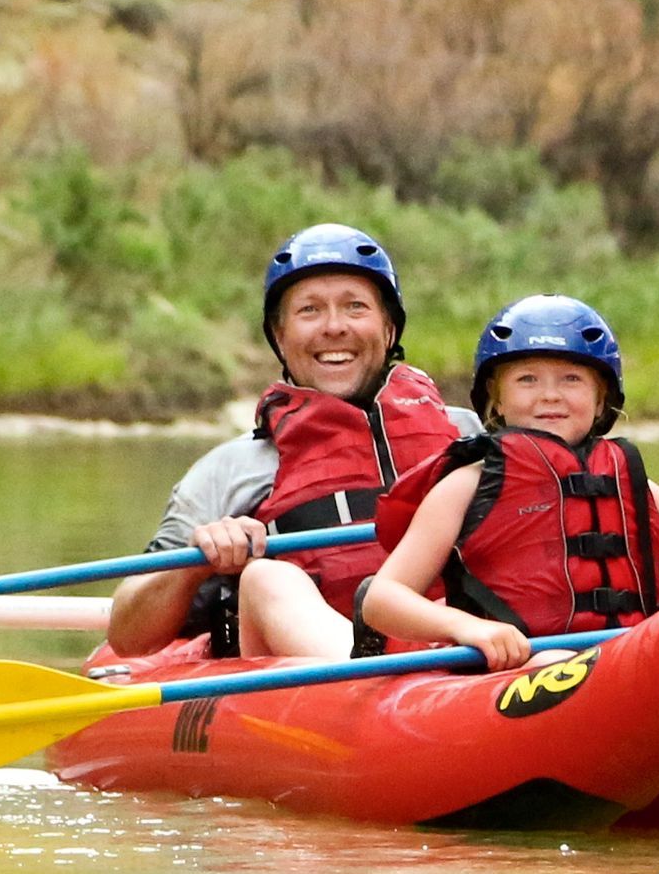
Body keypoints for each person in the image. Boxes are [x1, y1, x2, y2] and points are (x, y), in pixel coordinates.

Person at [106, 223, 480, 658]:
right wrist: (197, 563)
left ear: (390, 329)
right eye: (309, 311)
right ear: (280, 338)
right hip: (323, 676)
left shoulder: (467, 438)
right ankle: (366, 670)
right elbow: (128, 637)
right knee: (268, 579)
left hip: (460, 650)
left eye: (355, 307)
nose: (334, 327)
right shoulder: (233, 469)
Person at [355, 294, 659, 669]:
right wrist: (467, 627)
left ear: (601, 401)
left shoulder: (635, 487)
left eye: (571, 379)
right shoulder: (465, 486)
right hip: (515, 674)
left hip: (628, 661)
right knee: (550, 661)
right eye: (527, 379)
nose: (550, 395)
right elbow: (382, 599)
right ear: (496, 401)